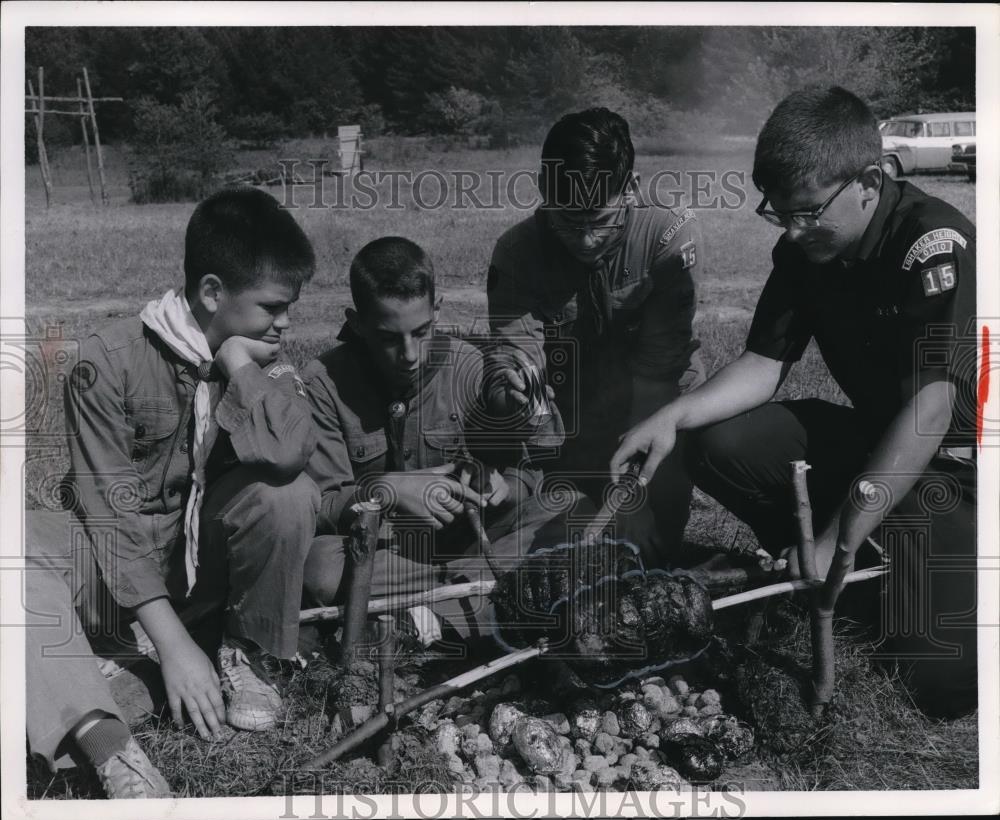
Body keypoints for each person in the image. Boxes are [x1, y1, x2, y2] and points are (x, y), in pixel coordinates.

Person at [612, 86, 977, 718]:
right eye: (778, 213)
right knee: (717, 436)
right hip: (880, 443)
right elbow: (763, 363)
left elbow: (932, 411)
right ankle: (834, 571)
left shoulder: (932, 244)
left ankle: (859, 566)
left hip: (957, 466)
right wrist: (672, 415)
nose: (792, 229)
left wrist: (835, 538)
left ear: (869, 178)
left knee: (944, 687)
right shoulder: (803, 250)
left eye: (807, 212)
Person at [25, 186, 320, 797]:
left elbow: (292, 452)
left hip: (201, 573)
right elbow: (109, 515)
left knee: (287, 494)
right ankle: (111, 746)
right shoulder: (107, 360)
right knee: (17, 548)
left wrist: (239, 367)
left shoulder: (262, 359)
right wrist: (176, 645)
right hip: (113, 573)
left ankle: (241, 656)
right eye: (271, 306)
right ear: (212, 293)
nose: (285, 323)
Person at [301, 236, 584, 647]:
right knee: (318, 570)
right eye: (389, 338)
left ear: (437, 310)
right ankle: (488, 600)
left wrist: (502, 490)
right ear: (357, 322)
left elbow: (525, 478)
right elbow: (323, 506)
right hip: (384, 551)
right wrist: (388, 492)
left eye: (422, 332)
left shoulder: (469, 365)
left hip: (465, 542)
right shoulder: (323, 384)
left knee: (576, 511)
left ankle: (423, 618)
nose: (410, 354)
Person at [486, 107, 706, 570]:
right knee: (559, 552)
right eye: (567, 222)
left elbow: (658, 375)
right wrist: (518, 389)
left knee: (651, 558)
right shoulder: (517, 252)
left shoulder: (667, 234)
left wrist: (633, 499)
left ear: (631, 188)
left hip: (658, 407)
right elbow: (517, 357)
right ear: (545, 195)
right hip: (573, 416)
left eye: (600, 221)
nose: (585, 241)